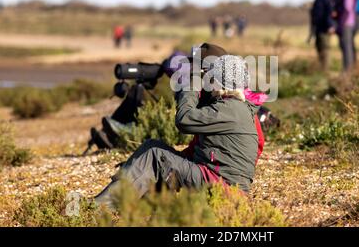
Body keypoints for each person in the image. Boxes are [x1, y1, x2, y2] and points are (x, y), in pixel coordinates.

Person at [94, 49, 267, 208]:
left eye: (211, 78)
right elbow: (198, 153)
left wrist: (189, 84)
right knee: (154, 148)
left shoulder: (229, 109)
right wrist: (140, 167)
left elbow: (184, 120)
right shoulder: (238, 108)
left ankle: (100, 209)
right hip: (224, 185)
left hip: (223, 189)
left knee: (155, 155)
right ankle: (133, 200)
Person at [334, 0, 357, 71]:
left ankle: (348, 72)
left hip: (346, 22)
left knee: (347, 48)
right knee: (346, 47)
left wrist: (341, 22)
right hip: (347, 21)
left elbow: (347, 7)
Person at [309, 0, 335, 70]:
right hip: (319, 27)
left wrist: (330, 25)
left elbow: (330, 11)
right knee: (320, 48)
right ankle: (322, 69)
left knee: (325, 49)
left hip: (325, 27)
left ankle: (326, 71)